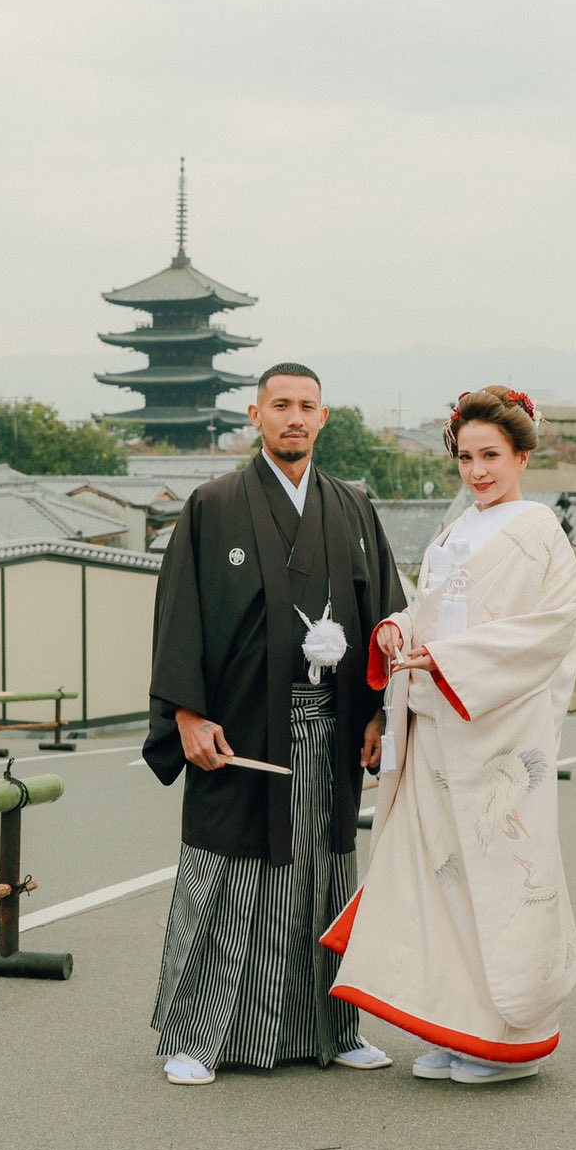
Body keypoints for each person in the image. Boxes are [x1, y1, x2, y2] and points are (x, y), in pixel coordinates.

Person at [142, 363, 406, 1085]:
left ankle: (336, 1029)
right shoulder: (213, 504)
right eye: (280, 405)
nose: (294, 418)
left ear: (326, 417)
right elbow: (179, 614)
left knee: (323, 874)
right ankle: (199, 1036)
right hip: (241, 730)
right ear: (254, 414)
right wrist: (188, 714)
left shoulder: (352, 506)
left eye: (307, 407)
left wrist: (381, 712)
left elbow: (387, 612)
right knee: (229, 875)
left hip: (332, 724)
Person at [324, 385, 576, 1084]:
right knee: (439, 878)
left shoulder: (537, 530)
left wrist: (448, 658)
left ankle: (504, 1037)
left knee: (494, 881)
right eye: (467, 457)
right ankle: (455, 1025)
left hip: (495, 734)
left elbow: (558, 623)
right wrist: (399, 633)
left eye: (492, 456)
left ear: (523, 455)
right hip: (439, 726)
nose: (478, 471)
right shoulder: (453, 532)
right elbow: (430, 612)